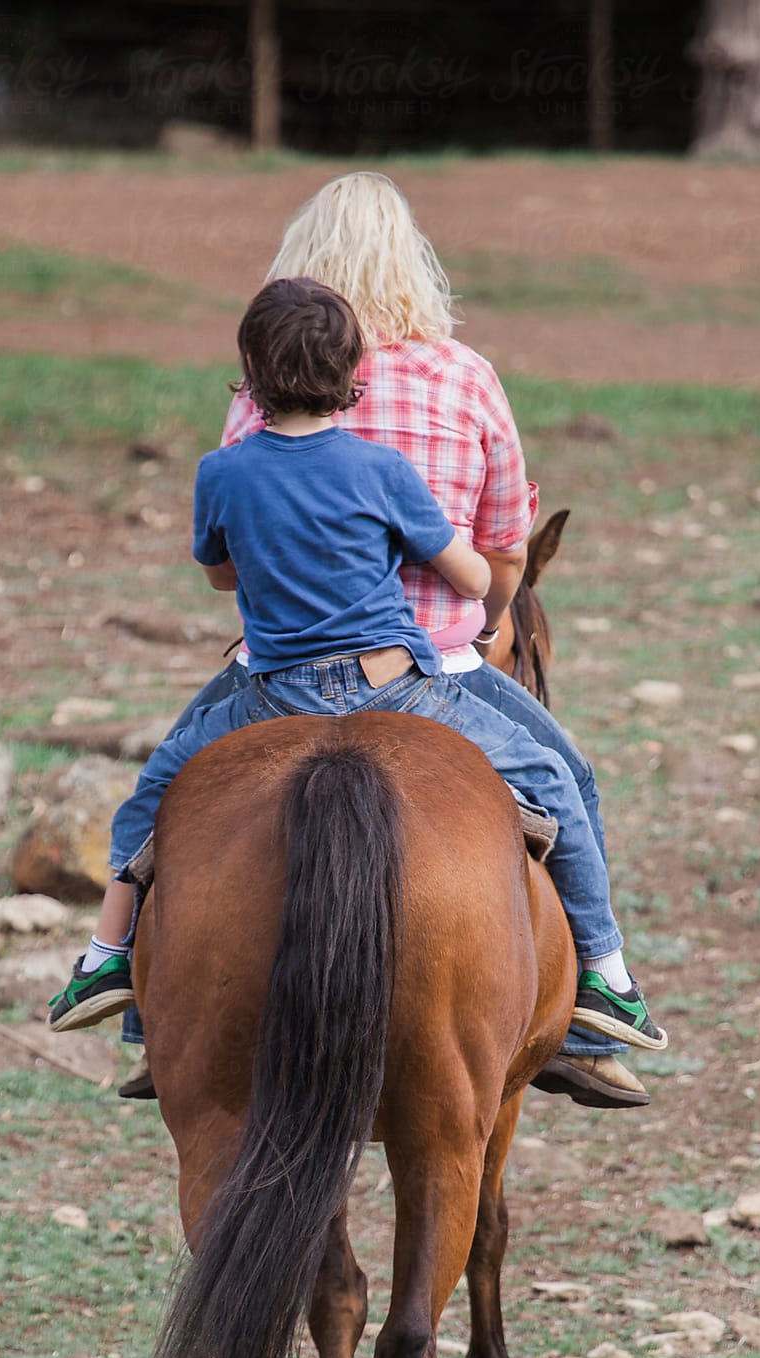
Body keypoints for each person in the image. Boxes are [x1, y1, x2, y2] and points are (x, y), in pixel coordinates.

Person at [118, 172, 647, 1109]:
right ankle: (598, 993)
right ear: (416, 268)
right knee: (565, 777)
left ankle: (144, 1009)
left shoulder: (255, 399)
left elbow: (230, 558)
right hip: (422, 667)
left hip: (275, 669)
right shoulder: (465, 375)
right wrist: (483, 623)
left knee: (165, 804)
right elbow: (502, 548)